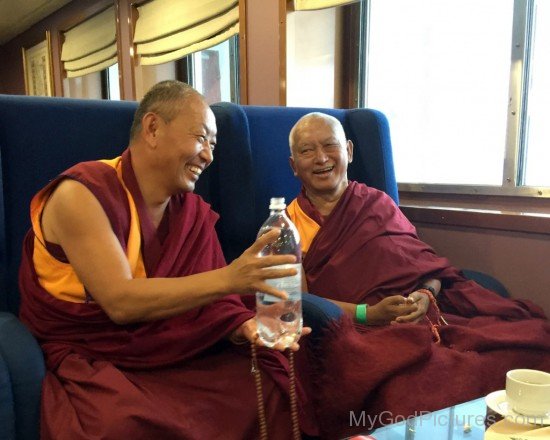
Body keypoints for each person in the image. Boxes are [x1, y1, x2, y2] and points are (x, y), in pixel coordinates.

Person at [18, 81, 315, 440]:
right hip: (95, 354)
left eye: (213, 145)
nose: (208, 156)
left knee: (267, 381)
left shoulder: (189, 212)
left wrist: (242, 327)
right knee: (119, 425)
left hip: (173, 349)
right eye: (201, 138)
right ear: (153, 128)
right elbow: (120, 302)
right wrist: (232, 278)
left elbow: (214, 304)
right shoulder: (80, 194)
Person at [286, 112, 550, 438]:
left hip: (425, 318)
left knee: (531, 341)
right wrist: (370, 314)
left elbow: (427, 265)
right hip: (358, 333)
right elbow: (296, 302)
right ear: (293, 164)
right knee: (408, 394)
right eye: (307, 151)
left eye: (330, 145)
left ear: (349, 151)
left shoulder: (378, 204)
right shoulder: (286, 226)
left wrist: (426, 294)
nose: (322, 158)